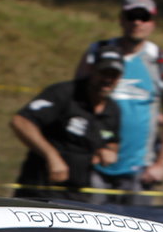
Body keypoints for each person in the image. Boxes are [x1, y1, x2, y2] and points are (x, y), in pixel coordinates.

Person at [74, 0, 163, 203]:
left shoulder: (160, 61)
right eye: (131, 15)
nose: (137, 22)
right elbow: (75, 102)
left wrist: (162, 164)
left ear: (153, 23)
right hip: (94, 163)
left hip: (139, 169)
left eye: (144, 17)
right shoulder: (98, 52)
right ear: (121, 19)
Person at [10, 48, 124, 203]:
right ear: (92, 70)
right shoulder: (64, 94)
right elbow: (21, 122)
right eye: (103, 73)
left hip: (78, 194)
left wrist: (108, 152)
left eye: (114, 75)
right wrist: (52, 156)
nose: (107, 80)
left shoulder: (113, 110)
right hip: (40, 189)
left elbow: (112, 141)